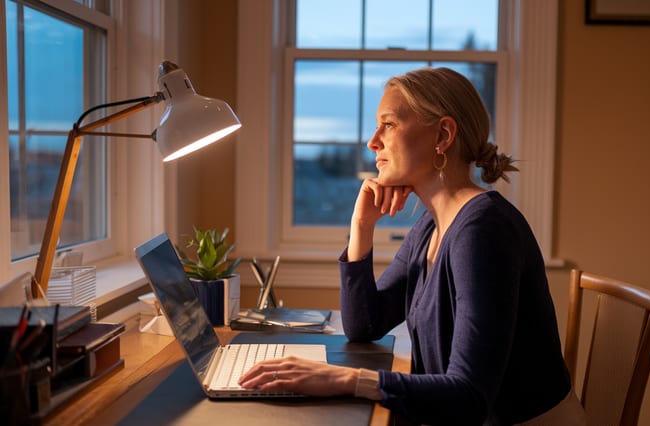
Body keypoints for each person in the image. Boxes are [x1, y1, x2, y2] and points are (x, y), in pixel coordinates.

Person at [238, 67, 586, 425]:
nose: (373, 141)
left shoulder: (483, 231)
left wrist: (344, 379)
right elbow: (364, 324)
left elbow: (469, 397)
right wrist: (362, 226)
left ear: (443, 134)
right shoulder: (431, 225)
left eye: (388, 124)